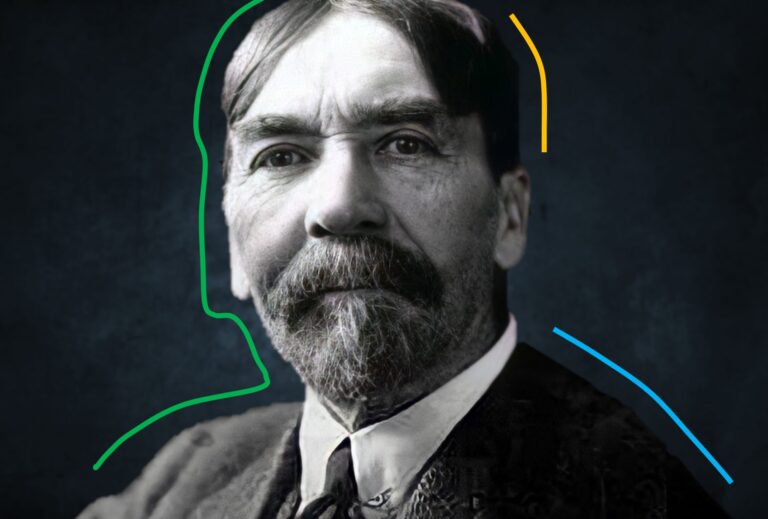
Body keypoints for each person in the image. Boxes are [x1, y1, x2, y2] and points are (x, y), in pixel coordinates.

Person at [79, 0, 727, 517]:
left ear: (509, 216)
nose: (338, 206)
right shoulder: (180, 481)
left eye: (405, 143)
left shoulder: (634, 496)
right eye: (281, 156)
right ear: (233, 245)